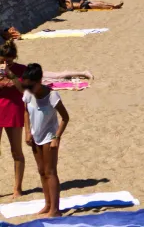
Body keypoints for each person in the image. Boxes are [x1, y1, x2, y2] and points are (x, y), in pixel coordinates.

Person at [21, 63, 69, 218]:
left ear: (39, 81)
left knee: (50, 171)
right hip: (35, 136)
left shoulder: (52, 96)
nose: (28, 88)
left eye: (30, 85)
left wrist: (56, 137)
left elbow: (65, 118)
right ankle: (47, 204)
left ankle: (55, 210)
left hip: (50, 136)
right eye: (25, 85)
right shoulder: (28, 93)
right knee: (41, 171)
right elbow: (26, 111)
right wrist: (27, 131)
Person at [0, 40, 27, 200]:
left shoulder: (21, 70)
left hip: (14, 111)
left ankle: (17, 188)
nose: (5, 63)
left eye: (8, 60)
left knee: (16, 151)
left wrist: (11, 75)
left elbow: (23, 90)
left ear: (14, 57)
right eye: (2, 60)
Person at [55, 0, 122, 12]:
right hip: (83, 6)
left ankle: (114, 4)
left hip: (83, 3)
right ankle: (114, 7)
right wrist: (70, 1)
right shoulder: (63, 4)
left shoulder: (66, 1)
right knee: (99, 6)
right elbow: (70, 8)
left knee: (101, 2)